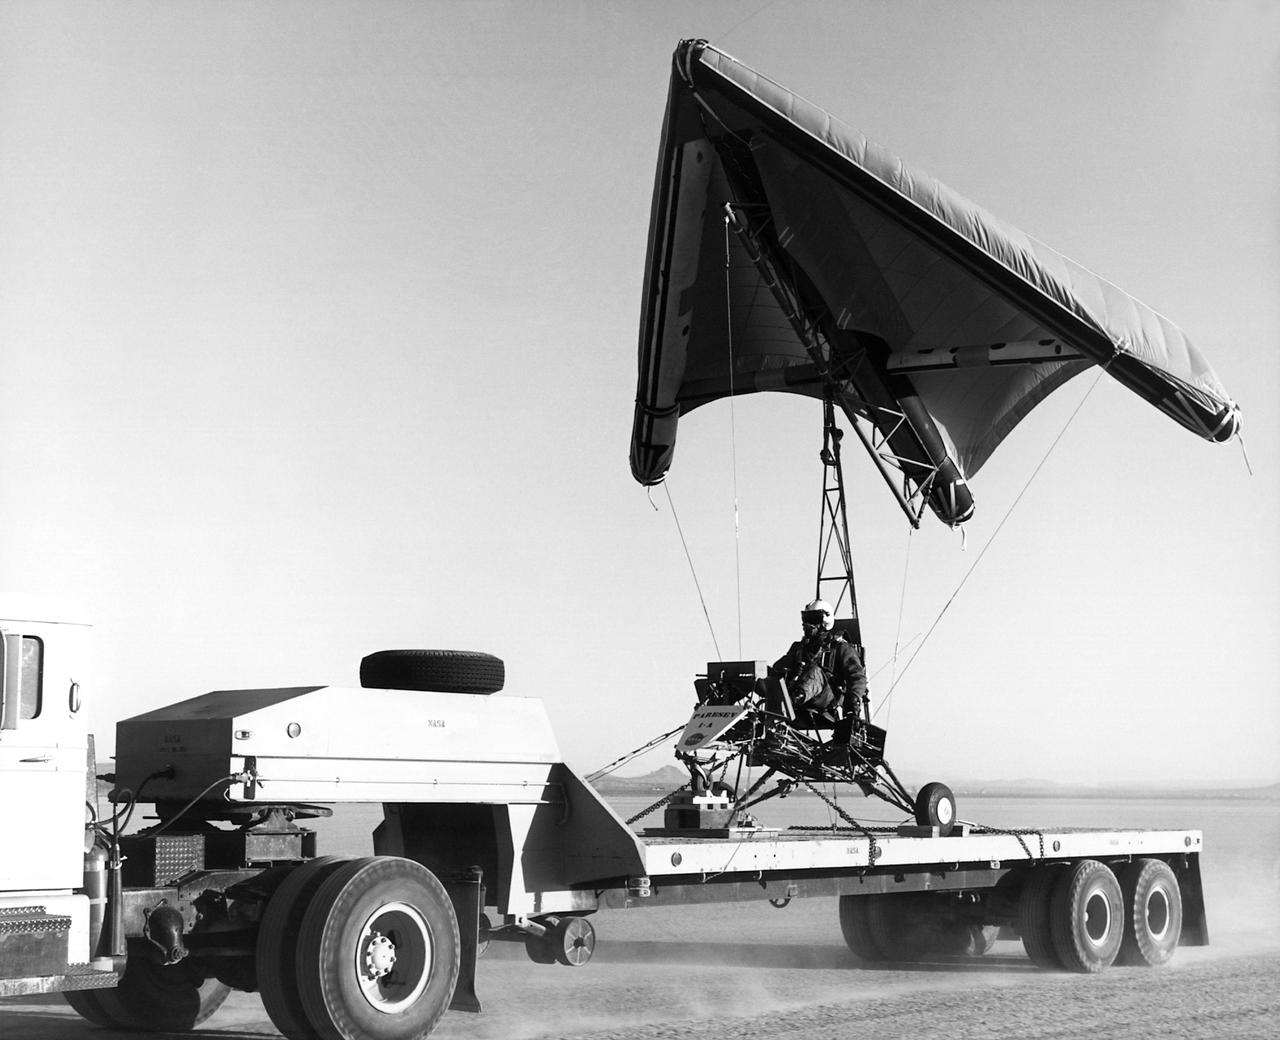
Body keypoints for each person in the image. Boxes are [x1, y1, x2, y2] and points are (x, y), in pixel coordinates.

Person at [770, 599, 868, 722]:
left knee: (814, 671)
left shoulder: (840, 648)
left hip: (827, 701)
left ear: (824, 623)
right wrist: (793, 669)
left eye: (813, 620)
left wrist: (853, 700)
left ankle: (790, 702)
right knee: (760, 672)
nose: (807, 625)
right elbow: (777, 668)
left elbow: (857, 677)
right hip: (796, 698)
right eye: (806, 620)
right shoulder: (798, 648)